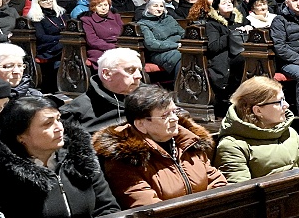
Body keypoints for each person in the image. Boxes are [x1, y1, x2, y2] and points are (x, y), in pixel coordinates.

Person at [0, 97, 119, 218]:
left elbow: (107, 208)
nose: (59, 128)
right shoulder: (5, 174)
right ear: (21, 136)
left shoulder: (80, 158)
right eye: (48, 124)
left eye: (58, 119)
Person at [92, 85, 226, 207]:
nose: (175, 118)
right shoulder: (126, 159)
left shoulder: (189, 142)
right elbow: (149, 207)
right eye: (165, 115)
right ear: (141, 124)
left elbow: (218, 182)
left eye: (175, 111)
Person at [216, 76, 299, 182]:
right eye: (279, 102)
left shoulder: (289, 132)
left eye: (284, 99)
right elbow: (241, 189)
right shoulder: (232, 145)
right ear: (258, 111)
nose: (286, 105)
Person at [61, 48, 144, 133]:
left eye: (139, 70)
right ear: (107, 74)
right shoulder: (76, 113)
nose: (139, 76)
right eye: (131, 70)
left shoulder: (149, 100)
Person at [198, 0, 245, 114]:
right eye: (224, 3)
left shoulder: (238, 20)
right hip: (221, 57)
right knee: (244, 59)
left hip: (237, 53)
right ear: (217, 9)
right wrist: (231, 35)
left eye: (229, 2)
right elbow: (213, 47)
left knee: (253, 58)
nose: (228, 4)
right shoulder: (213, 24)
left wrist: (247, 30)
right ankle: (232, 97)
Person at [26, 0, 67, 91]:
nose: (48, 1)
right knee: (66, 47)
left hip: (62, 44)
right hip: (47, 47)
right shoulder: (36, 17)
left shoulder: (61, 13)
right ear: (38, 2)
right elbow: (41, 37)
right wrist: (62, 38)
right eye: (44, 0)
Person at [137, 0, 183, 80]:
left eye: (161, 6)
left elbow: (183, 33)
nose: (159, 9)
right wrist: (176, 45)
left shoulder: (169, 18)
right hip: (158, 53)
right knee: (181, 57)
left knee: (193, 54)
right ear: (148, 8)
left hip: (179, 47)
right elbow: (151, 44)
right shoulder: (143, 23)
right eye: (155, 6)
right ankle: (179, 85)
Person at [81, 0, 124, 68]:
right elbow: (93, 40)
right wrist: (112, 47)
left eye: (105, 5)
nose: (103, 8)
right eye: (99, 6)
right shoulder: (87, 20)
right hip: (99, 49)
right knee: (112, 60)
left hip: (119, 46)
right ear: (94, 8)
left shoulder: (116, 17)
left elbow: (123, 33)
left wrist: (121, 46)